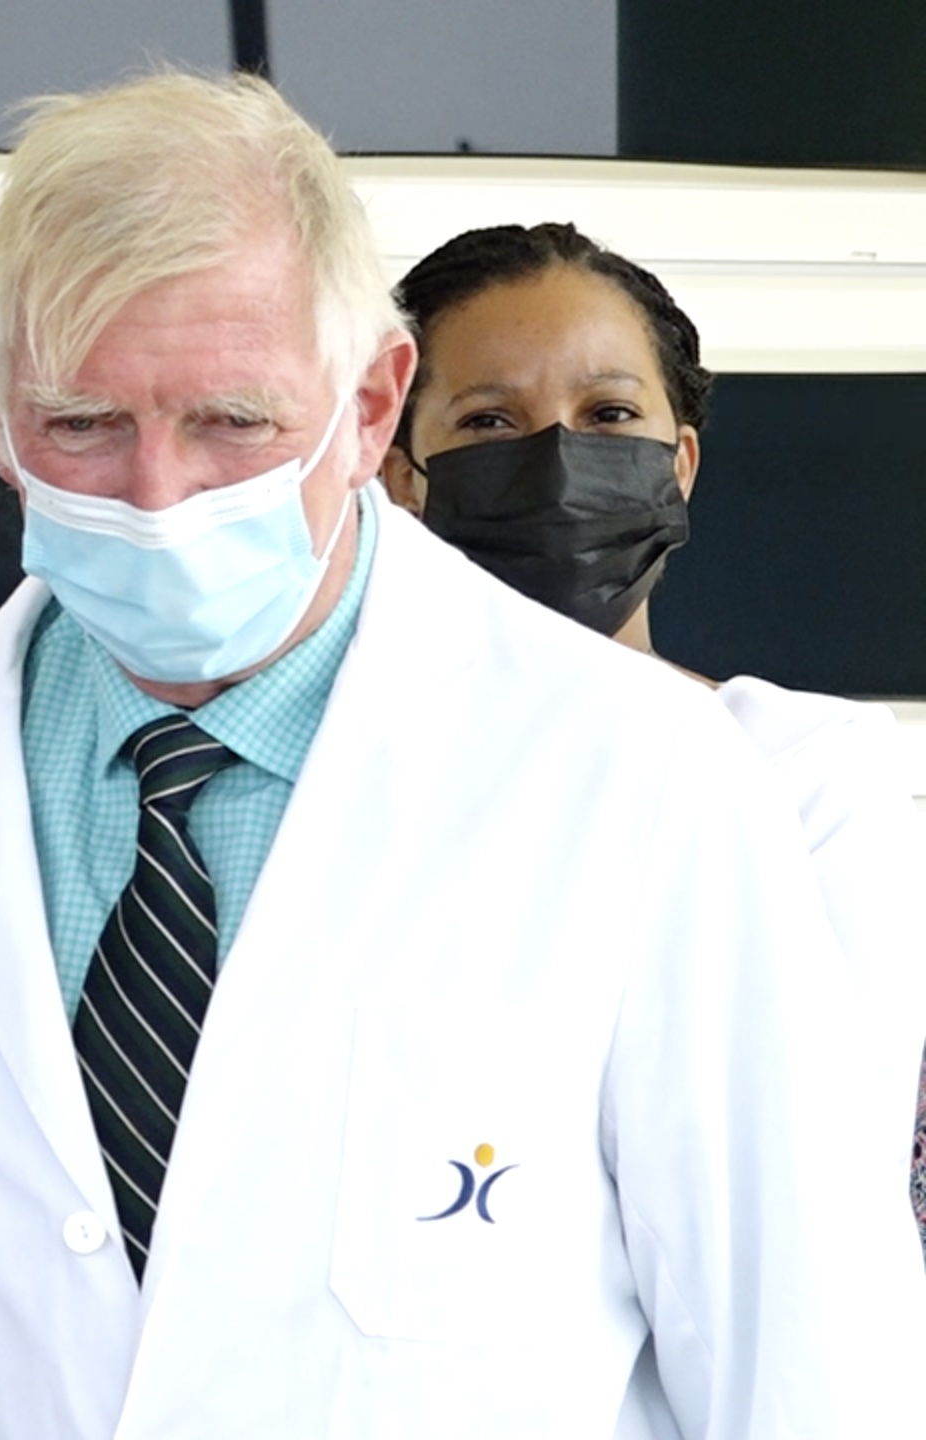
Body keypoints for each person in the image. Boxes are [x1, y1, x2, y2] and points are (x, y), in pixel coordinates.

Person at [0, 71, 925, 1438]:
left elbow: (802, 1372)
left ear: (371, 408)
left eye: (233, 422)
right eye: (80, 423)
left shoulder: (643, 776)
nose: (158, 495)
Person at [383, 221, 926, 1247]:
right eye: (490, 420)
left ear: (677, 462)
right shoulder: (329, 777)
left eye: (609, 413)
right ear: (399, 475)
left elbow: (822, 1200)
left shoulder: (802, 778)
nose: (557, 459)